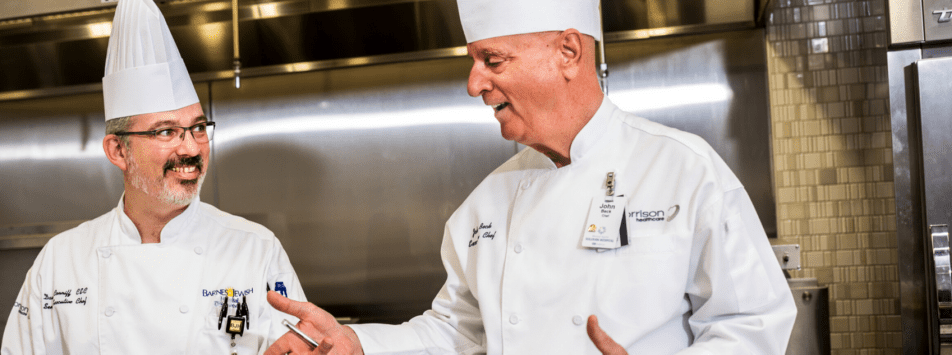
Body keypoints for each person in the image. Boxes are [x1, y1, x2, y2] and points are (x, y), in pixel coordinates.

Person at [263, 0, 797, 354]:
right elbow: (456, 330)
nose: (474, 84)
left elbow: (751, 321)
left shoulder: (684, 169)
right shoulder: (484, 205)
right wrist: (360, 345)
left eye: (492, 60)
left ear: (568, 52)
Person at [0, 0, 305, 353]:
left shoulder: (255, 248)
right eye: (166, 132)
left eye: (199, 127)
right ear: (118, 151)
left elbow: (300, 344)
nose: (191, 148)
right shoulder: (60, 261)